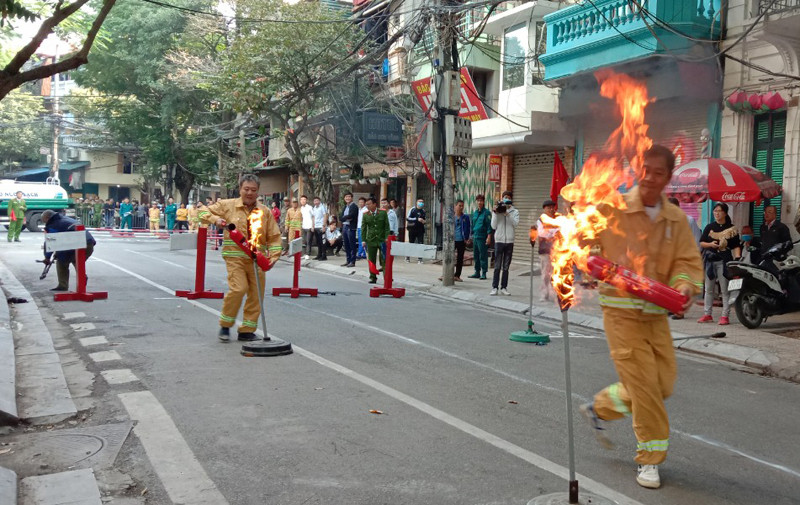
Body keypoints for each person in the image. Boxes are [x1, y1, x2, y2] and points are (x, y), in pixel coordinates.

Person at [579, 145, 703, 490]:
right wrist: (587, 259)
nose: (649, 177)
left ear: (668, 178)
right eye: (645, 169)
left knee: (663, 384)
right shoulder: (614, 207)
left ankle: (600, 407)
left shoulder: (676, 220)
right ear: (637, 170)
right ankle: (649, 458)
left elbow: (688, 263)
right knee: (647, 386)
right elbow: (583, 241)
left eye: (658, 172)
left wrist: (684, 288)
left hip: (656, 316)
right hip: (620, 315)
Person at [198, 174, 282, 342]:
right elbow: (201, 211)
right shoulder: (227, 205)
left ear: (258, 191)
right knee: (239, 289)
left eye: (253, 190)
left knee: (256, 294)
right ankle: (225, 324)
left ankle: (247, 330)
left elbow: (273, 237)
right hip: (234, 257)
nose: (249, 193)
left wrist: (273, 257)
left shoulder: (264, 212)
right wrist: (216, 220)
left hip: (257, 259)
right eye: (246, 189)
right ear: (240, 189)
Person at [698, 202, 741, 325]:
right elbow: (702, 242)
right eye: (715, 211)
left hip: (724, 261)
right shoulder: (709, 227)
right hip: (710, 261)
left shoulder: (732, 229)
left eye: (719, 211)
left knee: (724, 290)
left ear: (725, 213)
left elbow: (736, 246)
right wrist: (711, 245)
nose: (716, 213)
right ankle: (707, 314)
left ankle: (725, 316)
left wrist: (737, 259)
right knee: (709, 289)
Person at [41, 210, 97, 291]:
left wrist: (47, 258)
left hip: (77, 243)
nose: (44, 223)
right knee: (76, 260)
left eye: (44, 221)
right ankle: (82, 278)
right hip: (88, 244)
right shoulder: (65, 219)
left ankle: (63, 285)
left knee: (61, 262)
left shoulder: (53, 225)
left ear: (47, 218)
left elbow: (50, 243)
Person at [490, 191, 519, 296]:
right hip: (499, 241)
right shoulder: (497, 209)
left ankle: (504, 287)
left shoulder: (514, 211)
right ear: (502, 199)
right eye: (505, 197)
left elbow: (515, 224)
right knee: (497, 266)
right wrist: (495, 213)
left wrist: (507, 214)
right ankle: (494, 287)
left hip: (509, 241)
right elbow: (493, 226)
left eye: (508, 198)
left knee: (506, 267)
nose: (506, 199)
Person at [361, 197, 390, 284]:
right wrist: (363, 240)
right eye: (366, 204)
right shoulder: (365, 214)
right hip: (371, 240)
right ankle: (373, 277)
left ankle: (386, 277)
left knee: (384, 259)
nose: (367, 206)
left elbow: (386, 226)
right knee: (371, 259)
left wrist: (386, 237)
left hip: (382, 240)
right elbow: (363, 228)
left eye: (369, 204)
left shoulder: (382, 213)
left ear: (374, 204)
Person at [535, 200, 559, 302]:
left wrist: (552, 231)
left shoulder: (558, 218)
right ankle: (544, 293)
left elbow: (561, 230)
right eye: (548, 207)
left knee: (557, 273)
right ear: (544, 209)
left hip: (557, 250)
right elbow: (541, 233)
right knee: (545, 273)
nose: (551, 209)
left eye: (552, 207)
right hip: (545, 250)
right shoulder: (540, 220)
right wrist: (553, 232)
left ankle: (558, 293)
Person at [468, 195, 492, 280]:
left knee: (483, 255)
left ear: (483, 202)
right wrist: (471, 236)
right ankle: (477, 272)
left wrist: (489, 237)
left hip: (482, 237)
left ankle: (484, 273)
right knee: (476, 255)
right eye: (478, 201)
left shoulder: (487, 213)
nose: (479, 202)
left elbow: (489, 226)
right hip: (475, 237)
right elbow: (473, 225)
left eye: (481, 201)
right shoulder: (475, 213)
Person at [452, 199, 471, 281]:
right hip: (452, 240)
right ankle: (446, 274)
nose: (461, 207)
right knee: (449, 258)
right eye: (459, 205)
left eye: (462, 206)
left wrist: (468, 238)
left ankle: (457, 275)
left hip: (461, 240)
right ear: (455, 206)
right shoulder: (451, 217)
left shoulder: (465, 217)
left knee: (460, 258)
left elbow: (469, 228)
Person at [340, 192, 359, 267]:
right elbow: (340, 217)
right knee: (346, 244)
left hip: (351, 227)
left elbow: (351, 216)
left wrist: (344, 217)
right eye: (346, 197)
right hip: (345, 226)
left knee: (352, 245)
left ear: (352, 198)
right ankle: (348, 260)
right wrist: (345, 218)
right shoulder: (345, 207)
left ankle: (352, 261)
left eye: (349, 197)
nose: (347, 198)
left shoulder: (354, 206)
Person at [406, 198, 426, 263]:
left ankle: (420, 258)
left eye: (422, 202)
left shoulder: (423, 211)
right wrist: (417, 219)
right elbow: (408, 218)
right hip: (412, 229)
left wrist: (423, 221)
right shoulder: (412, 210)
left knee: (420, 244)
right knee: (411, 243)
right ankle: (407, 257)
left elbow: (424, 219)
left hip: (420, 230)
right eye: (419, 202)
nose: (421, 203)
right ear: (416, 202)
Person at [299, 195, 314, 259]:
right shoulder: (301, 208)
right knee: (304, 241)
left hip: (309, 226)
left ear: (306, 200)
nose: (303, 201)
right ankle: (304, 253)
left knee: (308, 241)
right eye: (302, 199)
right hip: (303, 226)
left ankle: (308, 253)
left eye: (304, 199)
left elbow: (313, 216)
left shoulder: (310, 207)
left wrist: (313, 226)